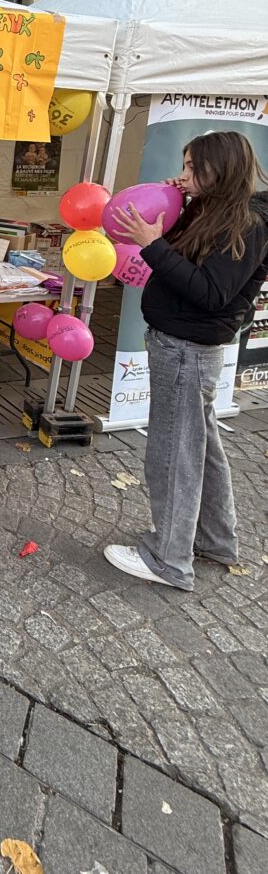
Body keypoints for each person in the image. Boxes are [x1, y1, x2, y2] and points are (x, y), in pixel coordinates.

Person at [106, 132, 268, 590]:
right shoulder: (214, 211)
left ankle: (169, 559)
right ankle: (215, 539)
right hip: (180, 346)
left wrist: (152, 245)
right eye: (185, 165)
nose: (184, 175)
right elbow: (190, 261)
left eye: (194, 168)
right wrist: (175, 212)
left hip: (187, 350)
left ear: (223, 169)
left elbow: (210, 293)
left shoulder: (248, 224)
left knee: (174, 453)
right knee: (201, 446)